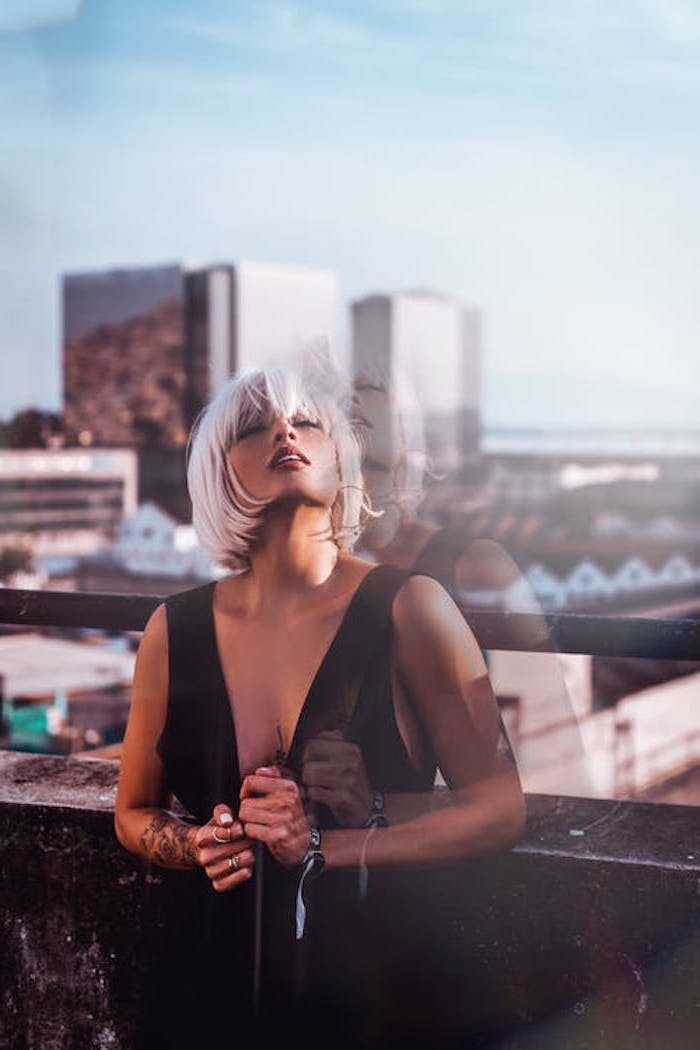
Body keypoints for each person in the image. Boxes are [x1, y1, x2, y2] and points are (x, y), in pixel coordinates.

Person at [114, 347, 526, 1048]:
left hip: (377, 995)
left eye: (307, 423)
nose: (284, 434)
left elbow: (498, 809)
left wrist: (325, 848)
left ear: (341, 459)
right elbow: (132, 811)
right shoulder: (170, 629)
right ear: (219, 469)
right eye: (254, 427)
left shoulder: (412, 609)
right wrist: (194, 844)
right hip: (211, 994)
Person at [352, 362, 593, 797]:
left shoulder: (477, 566)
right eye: (338, 424)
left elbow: (553, 739)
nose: (352, 442)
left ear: (406, 443)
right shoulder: (308, 575)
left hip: (452, 832)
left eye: (365, 425)